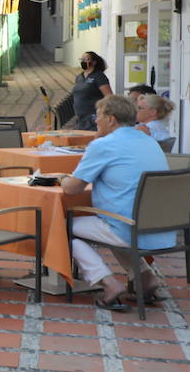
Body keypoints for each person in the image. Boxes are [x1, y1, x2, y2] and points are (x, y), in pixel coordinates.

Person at [62, 94, 171, 308]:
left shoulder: (104, 145)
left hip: (128, 227)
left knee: (60, 226)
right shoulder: (149, 141)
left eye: (99, 115)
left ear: (111, 119)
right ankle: (147, 277)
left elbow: (72, 189)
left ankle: (108, 282)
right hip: (161, 228)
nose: (95, 120)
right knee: (111, 224)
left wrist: (60, 178)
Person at [72, 51, 113, 130]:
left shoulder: (99, 76)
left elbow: (109, 97)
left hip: (93, 118)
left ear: (94, 62)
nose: (83, 61)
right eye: (82, 59)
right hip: (80, 118)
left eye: (86, 59)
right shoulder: (79, 77)